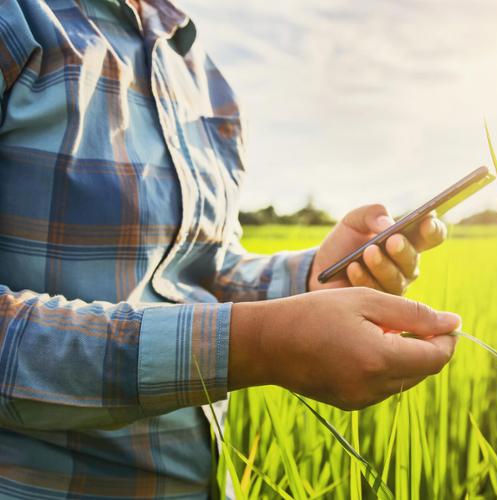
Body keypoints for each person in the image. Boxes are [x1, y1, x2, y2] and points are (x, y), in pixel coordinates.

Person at [0, 0, 460, 497]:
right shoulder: (19, 19)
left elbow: (197, 270)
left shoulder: (198, 70)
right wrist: (259, 346)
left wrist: (312, 277)